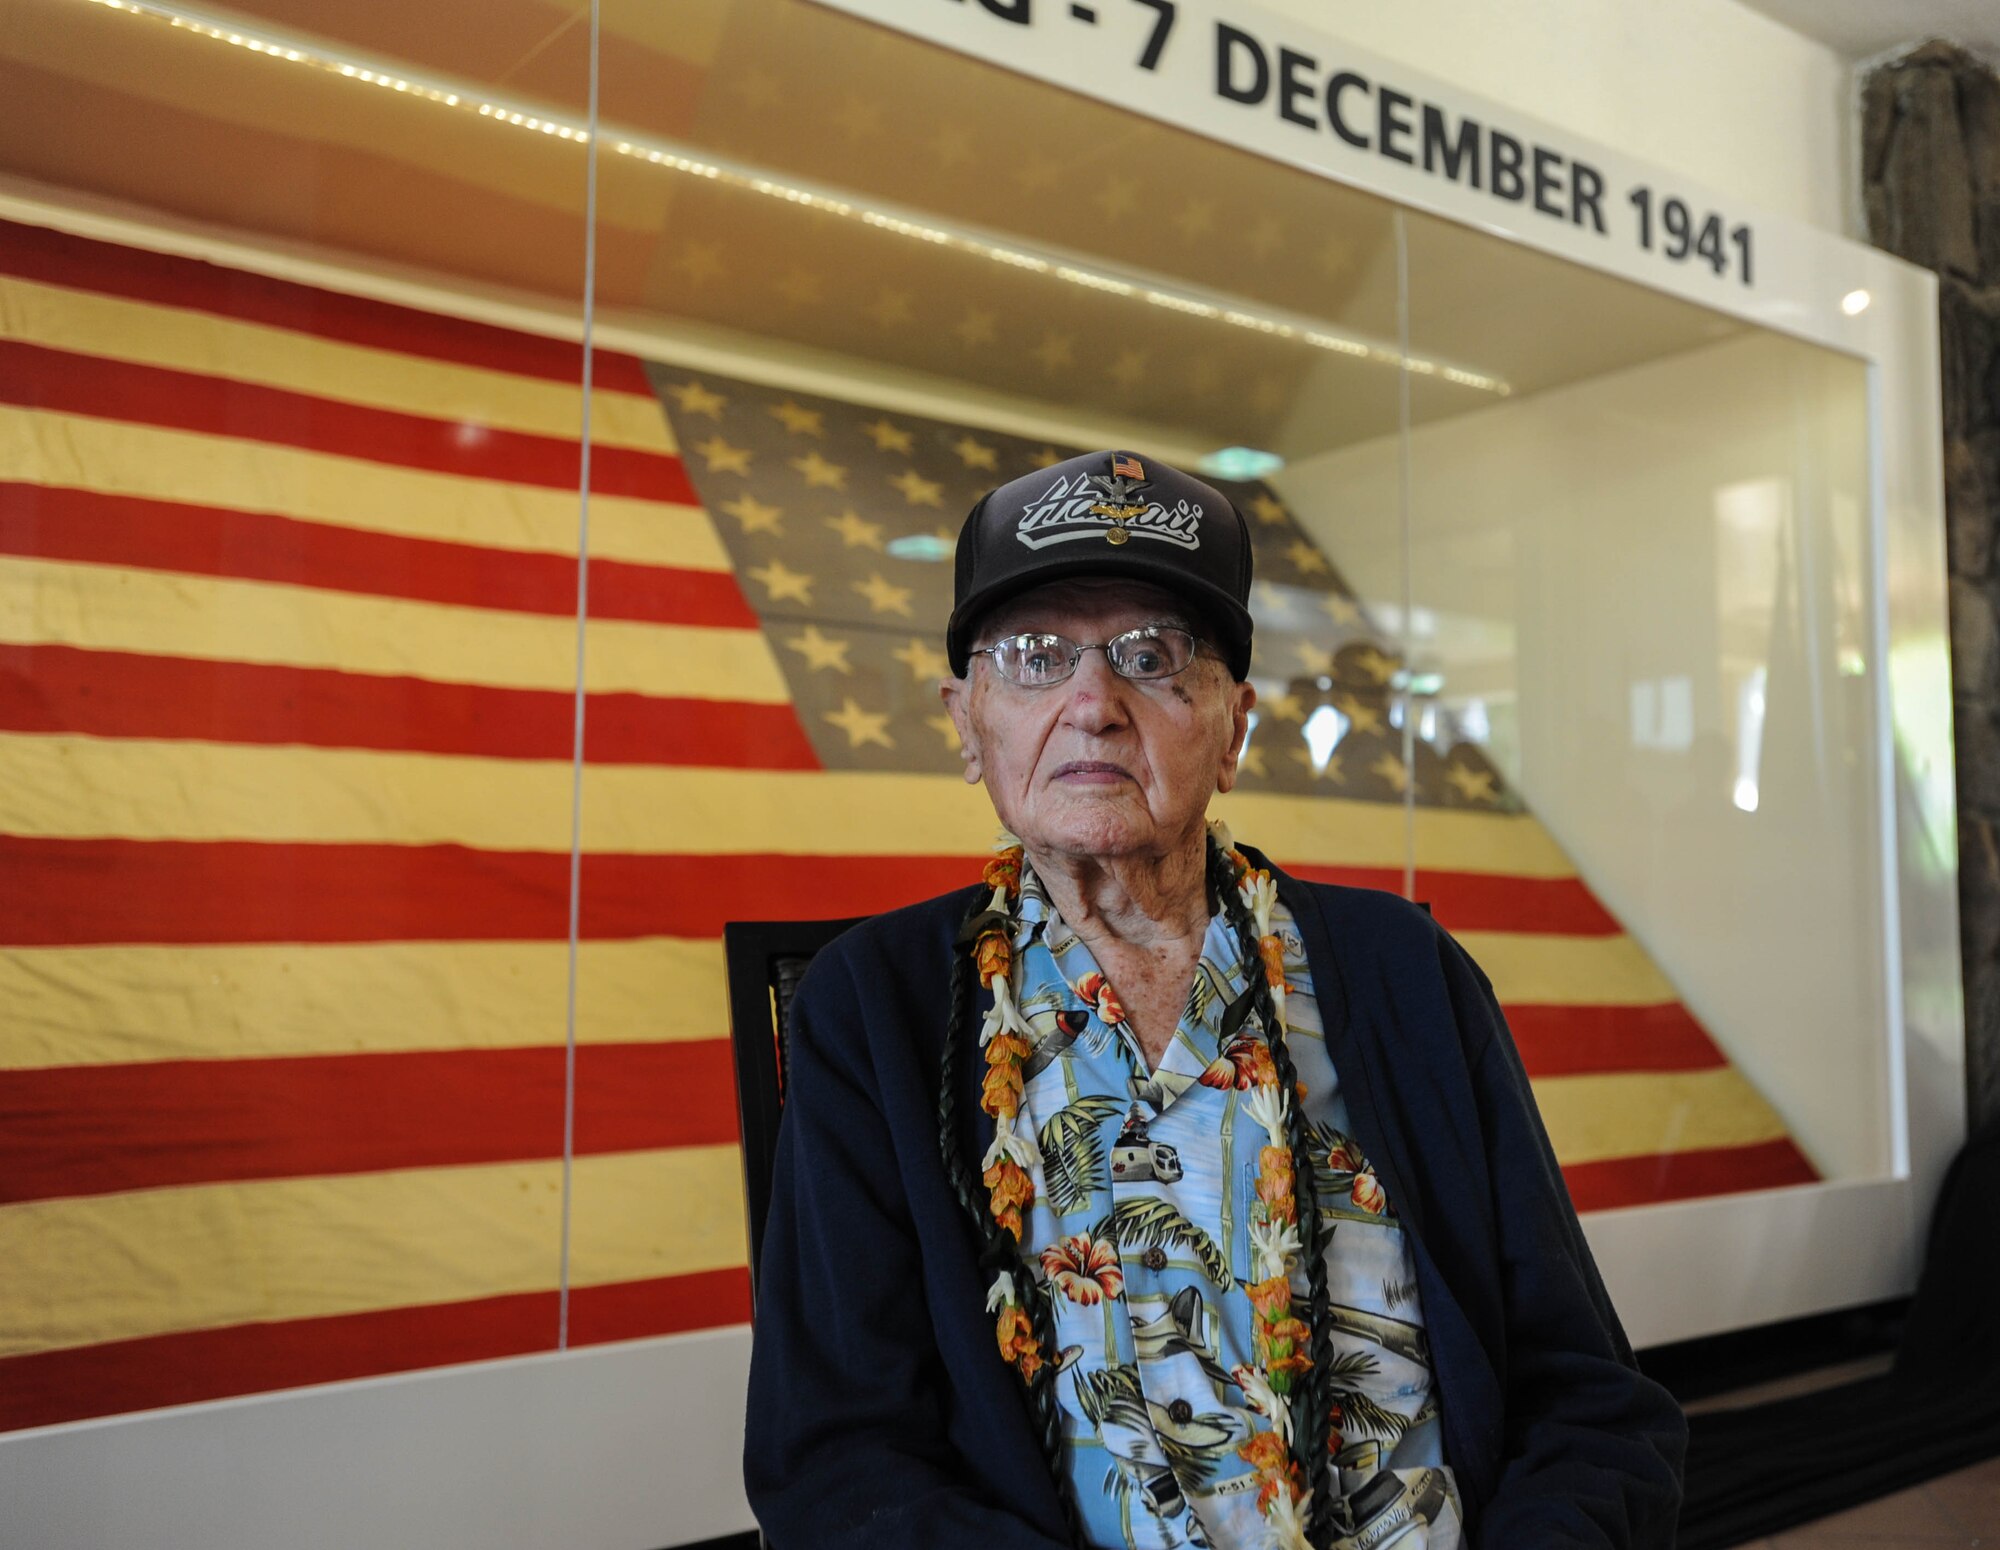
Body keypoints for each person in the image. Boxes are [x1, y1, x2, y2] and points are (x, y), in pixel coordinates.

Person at [743, 451, 1686, 1549]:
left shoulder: (1401, 974)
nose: (1091, 703)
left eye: (1151, 656)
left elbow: (1591, 1404)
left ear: (1231, 726)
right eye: (1035, 657)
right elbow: (838, 1468)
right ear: (967, 720)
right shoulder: (875, 1010)